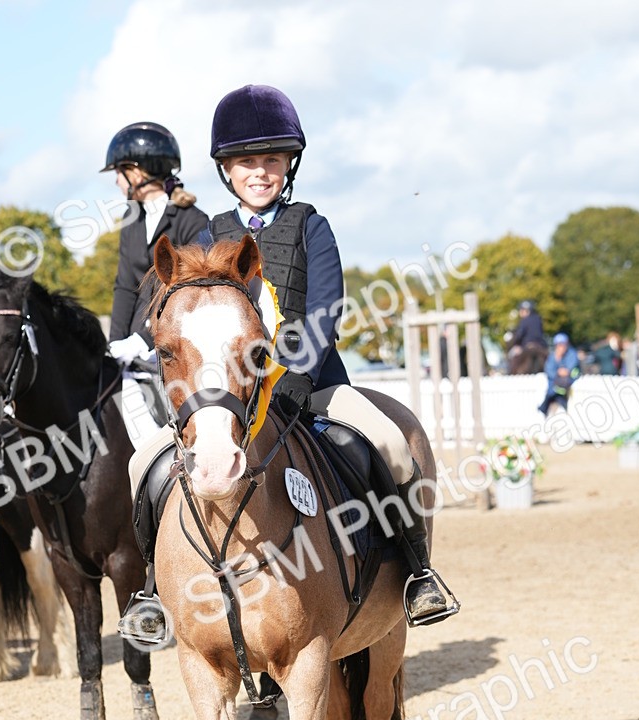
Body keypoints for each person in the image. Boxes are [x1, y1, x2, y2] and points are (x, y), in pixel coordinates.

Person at [125, 85, 457, 649]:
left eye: (271, 161)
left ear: (289, 165)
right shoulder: (208, 236)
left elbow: (324, 310)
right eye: (247, 162)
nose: (260, 172)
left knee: (390, 444)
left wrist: (292, 383)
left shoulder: (310, 226)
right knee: (143, 466)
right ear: (226, 170)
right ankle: (154, 593)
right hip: (228, 397)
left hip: (313, 386)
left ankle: (417, 574)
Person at [100, 122, 208, 446]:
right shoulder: (130, 219)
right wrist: (115, 344)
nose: (117, 182)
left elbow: (189, 293)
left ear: (137, 172)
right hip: (131, 348)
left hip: (173, 345)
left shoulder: (193, 221)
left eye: (119, 173)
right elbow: (124, 286)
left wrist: (145, 341)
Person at [539, 333, 581, 415]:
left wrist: (564, 371)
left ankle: (547, 406)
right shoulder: (553, 356)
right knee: (552, 390)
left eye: (563, 344)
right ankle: (545, 407)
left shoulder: (572, 354)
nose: (561, 347)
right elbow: (549, 370)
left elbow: (571, 369)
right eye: (559, 345)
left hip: (568, 382)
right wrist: (557, 359)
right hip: (556, 384)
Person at [508, 300, 548, 373]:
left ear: (525, 311)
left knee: (513, 357)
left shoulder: (524, 321)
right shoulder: (538, 319)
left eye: (521, 310)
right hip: (540, 347)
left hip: (527, 346)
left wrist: (515, 344)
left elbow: (519, 336)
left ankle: (511, 373)